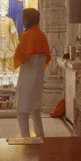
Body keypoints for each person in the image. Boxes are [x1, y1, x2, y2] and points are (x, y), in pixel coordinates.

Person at [14, 8, 51, 138]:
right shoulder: (41, 35)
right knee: (36, 111)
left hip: (27, 79)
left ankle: (26, 139)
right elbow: (46, 58)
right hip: (38, 80)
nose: (21, 20)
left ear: (28, 19)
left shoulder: (29, 35)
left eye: (23, 17)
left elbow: (20, 56)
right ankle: (40, 137)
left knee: (22, 111)